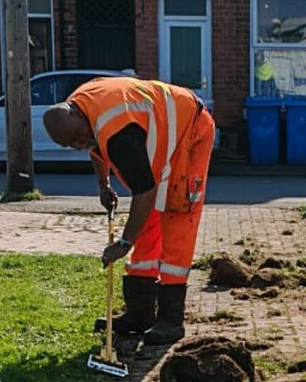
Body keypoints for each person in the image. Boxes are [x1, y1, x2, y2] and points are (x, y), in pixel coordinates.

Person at [44, 77, 215, 345]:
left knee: (177, 213)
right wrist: (103, 184)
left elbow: (143, 191)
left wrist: (124, 243)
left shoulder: (117, 130)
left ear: (75, 113)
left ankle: (171, 321)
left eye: (77, 136)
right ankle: (140, 313)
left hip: (190, 130)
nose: (78, 143)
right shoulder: (83, 109)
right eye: (71, 144)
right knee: (146, 220)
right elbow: (95, 146)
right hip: (161, 135)